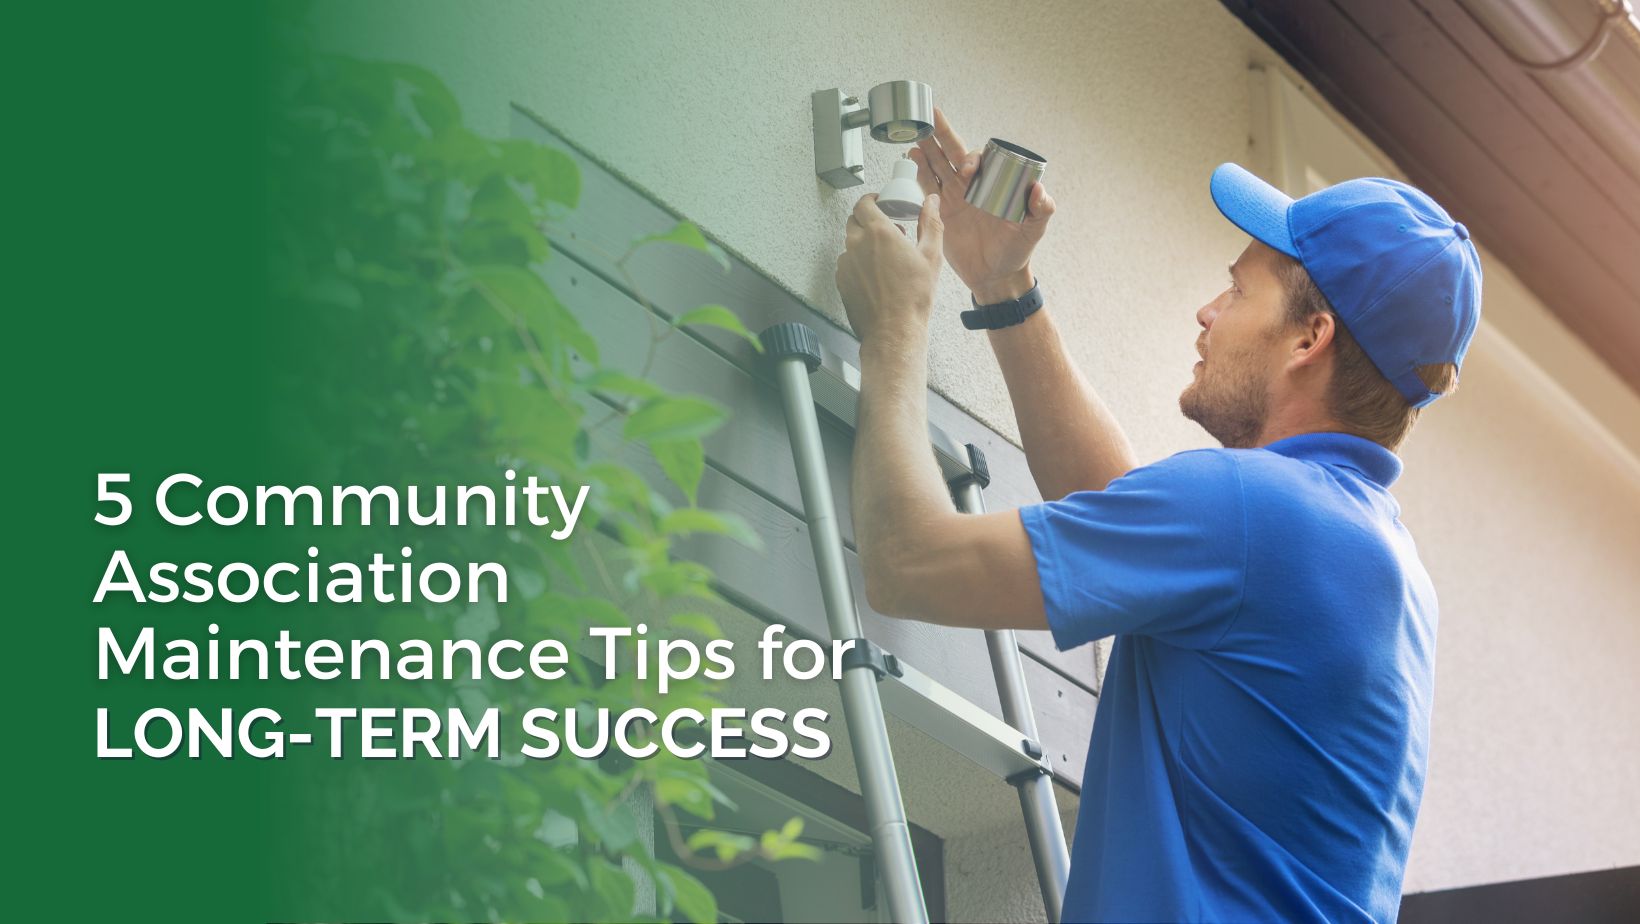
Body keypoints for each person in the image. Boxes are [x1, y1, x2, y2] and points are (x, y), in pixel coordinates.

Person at [835, 108, 1481, 923]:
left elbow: (906, 563)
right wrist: (1001, 285)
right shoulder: (1360, 548)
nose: (1209, 312)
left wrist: (893, 327)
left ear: (1309, 338)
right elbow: (1117, 504)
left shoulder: (1256, 512)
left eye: (1241, 289)